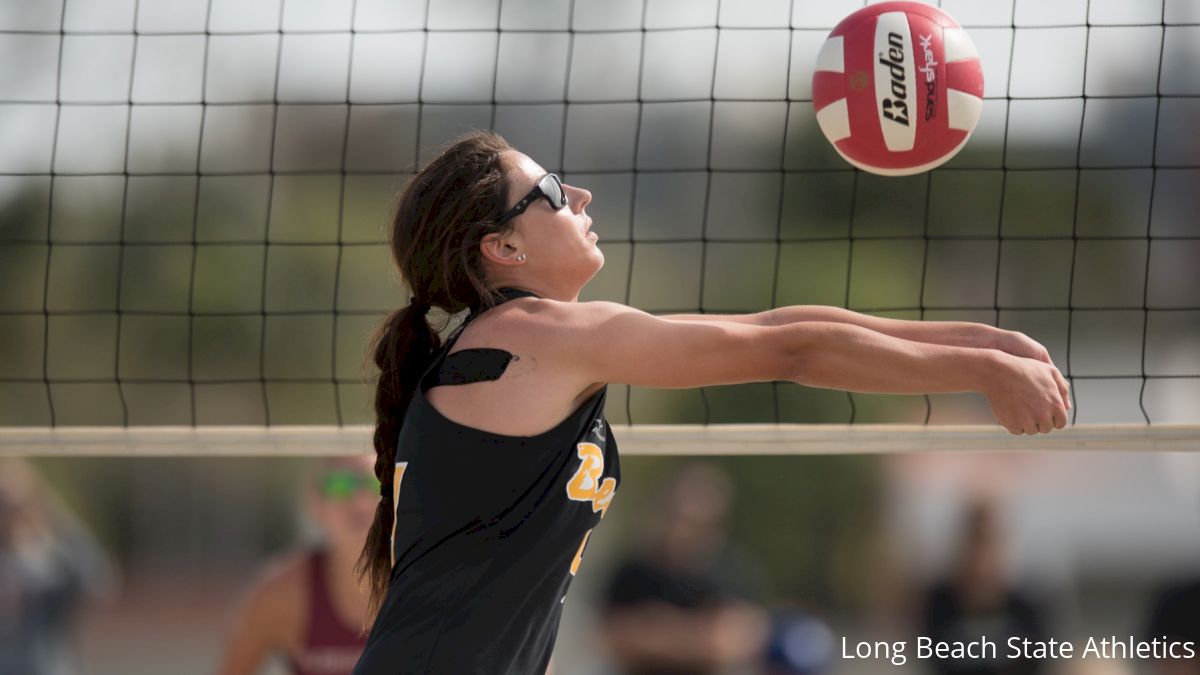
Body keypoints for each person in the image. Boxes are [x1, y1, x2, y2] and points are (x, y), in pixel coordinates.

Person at [352, 131, 1072, 675]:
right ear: (503, 247)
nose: (580, 198)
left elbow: (777, 329)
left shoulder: (526, 341)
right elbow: (794, 353)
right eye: (552, 191)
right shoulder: (535, 335)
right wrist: (978, 369)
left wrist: (983, 344)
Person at [601, 462, 770, 675]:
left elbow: (736, 641)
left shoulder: (733, 572)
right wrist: (697, 633)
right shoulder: (634, 571)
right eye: (674, 514)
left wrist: (655, 627)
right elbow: (613, 637)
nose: (681, 528)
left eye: (693, 520)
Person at [217, 456, 376, 675]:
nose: (360, 499)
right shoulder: (282, 595)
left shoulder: (430, 587)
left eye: (376, 481)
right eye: (340, 484)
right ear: (316, 504)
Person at [0, 458, 116, 675]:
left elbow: (100, 578)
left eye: (16, 504)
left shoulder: (50, 563)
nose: (9, 512)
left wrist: (52, 509)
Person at [921, 498, 1046, 675]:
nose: (982, 553)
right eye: (975, 541)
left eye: (989, 542)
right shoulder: (938, 605)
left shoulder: (1027, 608)